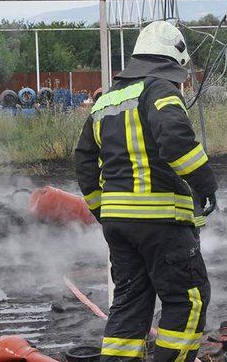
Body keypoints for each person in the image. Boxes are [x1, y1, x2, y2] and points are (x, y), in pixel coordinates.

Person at [75, 21, 218, 362]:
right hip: (161, 221)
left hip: (118, 225)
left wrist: (102, 209)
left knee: (129, 301)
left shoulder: (105, 100)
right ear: (173, 59)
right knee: (188, 299)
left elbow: (83, 161)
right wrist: (205, 183)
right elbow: (175, 139)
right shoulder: (161, 90)